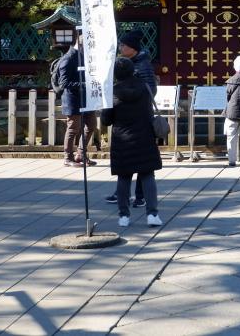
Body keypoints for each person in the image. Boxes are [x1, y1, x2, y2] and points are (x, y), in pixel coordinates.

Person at [101, 57, 163, 228]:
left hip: (123, 138)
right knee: (148, 175)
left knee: (124, 176)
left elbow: (106, 120)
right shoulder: (144, 87)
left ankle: (123, 216)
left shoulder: (112, 92)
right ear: (132, 70)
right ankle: (152, 214)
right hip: (144, 136)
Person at [105, 30, 157, 206]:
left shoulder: (143, 65)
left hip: (141, 116)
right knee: (132, 161)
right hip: (130, 118)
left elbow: (151, 90)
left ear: (133, 48)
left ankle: (140, 196)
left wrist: (133, 98)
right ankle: (122, 193)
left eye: (123, 45)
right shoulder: (128, 63)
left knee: (142, 162)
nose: (120, 47)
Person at [58, 35, 97, 167]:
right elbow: (63, 83)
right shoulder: (67, 59)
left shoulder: (85, 57)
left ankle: (80, 153)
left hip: (87, 98)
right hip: (73, 99)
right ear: (81, 45)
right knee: (73, 128)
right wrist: (83, 84)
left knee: (91, 125)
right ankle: (67, 157)